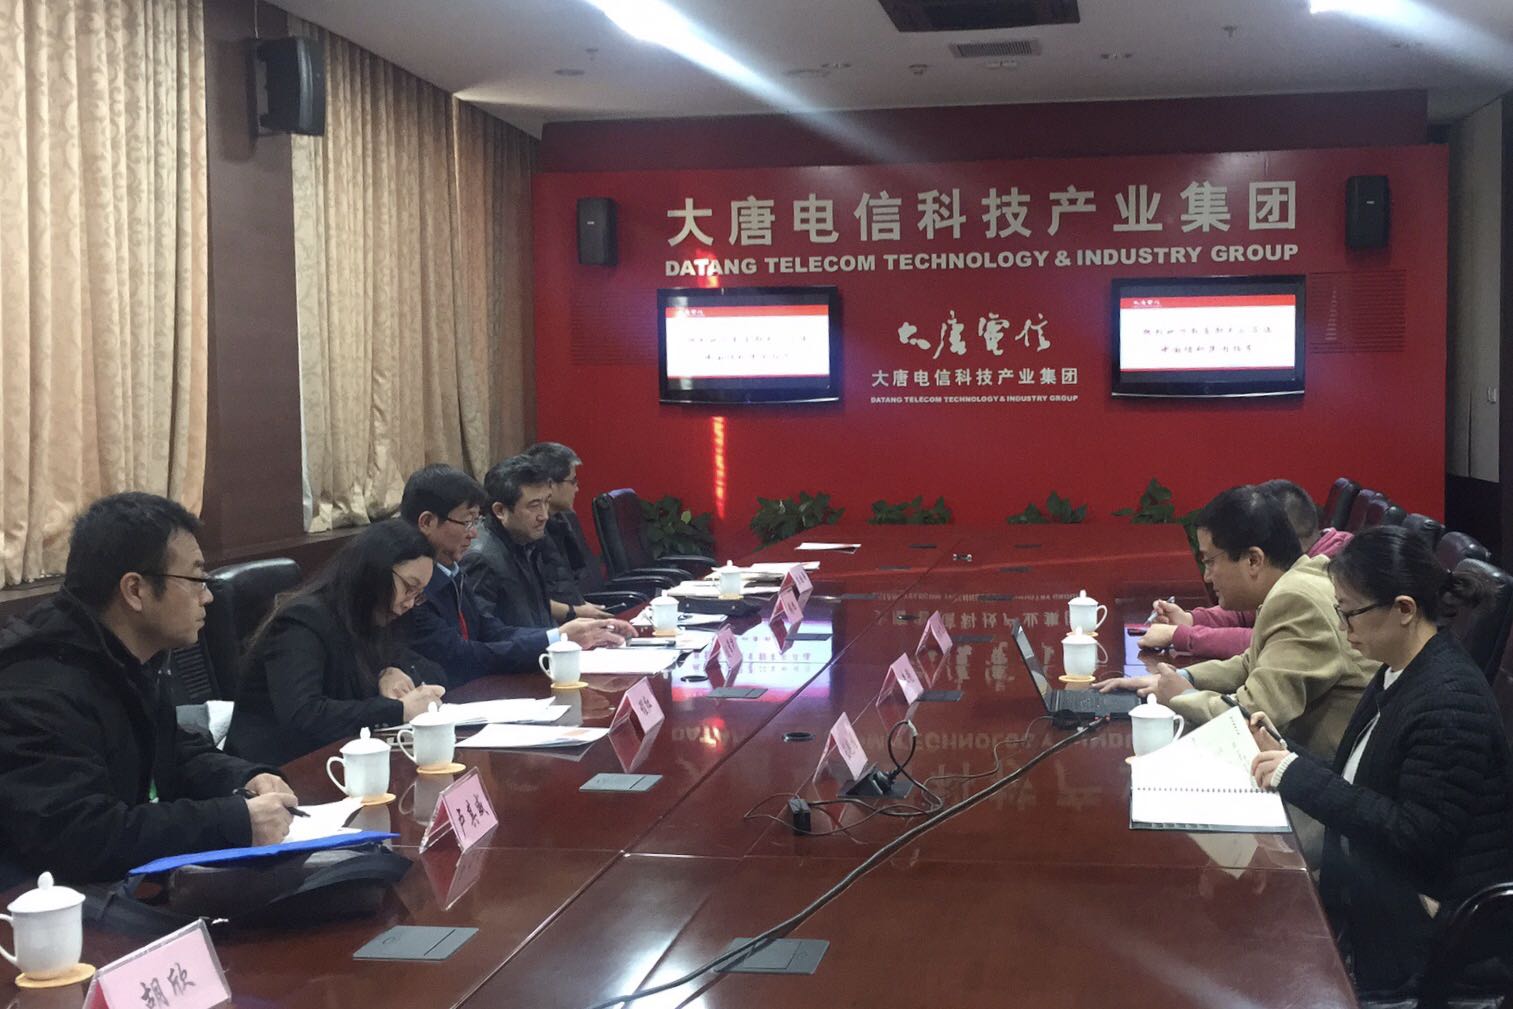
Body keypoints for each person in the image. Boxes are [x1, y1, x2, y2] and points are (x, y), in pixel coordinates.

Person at [1248, 526, 1513, 998]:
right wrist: (1287, 753)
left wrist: (1296, 775)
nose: (1343, 628)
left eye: (1350, 613)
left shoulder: (1449, 703)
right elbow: (1363, 780)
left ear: (1404, 609)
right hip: (1377, 896)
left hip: (1431, 937)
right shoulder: (1401, 668)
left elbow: (1414, 836)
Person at [0, 493, 298, 885]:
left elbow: (171, 750)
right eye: (196, 580)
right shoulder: (38, 687)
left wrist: (243, 778)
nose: (208, 596)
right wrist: (232, 822)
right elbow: (80, 836)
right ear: (135, 590)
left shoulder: (123, 656)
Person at [1100, 484, 1374, 759]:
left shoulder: (1298, 600)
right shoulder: (1298, 581)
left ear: (1253, 560)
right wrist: (1176, 679)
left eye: (1210, 561)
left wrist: (1182, 696)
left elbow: (1253, 715)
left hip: (1322, 772)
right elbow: (1250, 662)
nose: (1207, 576)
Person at [226, 519, 447, 766]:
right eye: (408, 587)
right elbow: (305, 715)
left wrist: (390, 671)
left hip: (338, 757)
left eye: (418, 595)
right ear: (374, 571)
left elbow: (435, 672)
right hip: (276, 769)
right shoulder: (301, 621)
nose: (409, 603)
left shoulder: (373, 616)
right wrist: (398, 710)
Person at [395, 464, 629, 683]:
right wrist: (557, 639)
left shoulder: (451, 570)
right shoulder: (411, 588)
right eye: (466, 522)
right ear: (427, 522)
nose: (473, 533)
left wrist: (561, 635)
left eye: (475, 521)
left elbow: (490, 630)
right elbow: (462, 656)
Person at [1140, 479, 1353, 659]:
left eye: (1211, 562)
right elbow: (1247, 614)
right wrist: (1191, 620)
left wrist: (1181, 636)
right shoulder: (1288, 570)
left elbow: (1265, 643)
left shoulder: (1331, 579)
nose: (1207, 576)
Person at [462, 456, 561, 629]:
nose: (544, 515)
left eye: (546, 502)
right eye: (534, 505)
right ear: (500, 510)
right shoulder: (480, 558)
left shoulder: (527, 541)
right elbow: (484, 635)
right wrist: (555, 636)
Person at [525, 440, 612, 618]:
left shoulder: (563, 520)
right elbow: (528, 603)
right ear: (550, 485)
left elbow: (572, 584)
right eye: (573, 481)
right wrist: (577, 612)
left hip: (581, 613)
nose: (577, 489)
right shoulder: (529, 531)